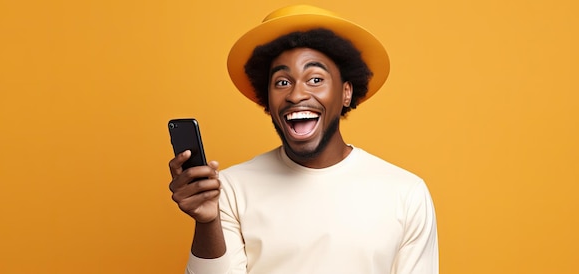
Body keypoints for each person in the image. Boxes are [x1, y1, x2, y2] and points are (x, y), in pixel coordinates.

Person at [169, 4, 438, 274]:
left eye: (315, 79)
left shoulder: (406, 193)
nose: (296, 95)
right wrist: (207, 222)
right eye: (282, 82)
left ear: (346, 93)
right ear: (267, 99)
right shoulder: (230, 188)